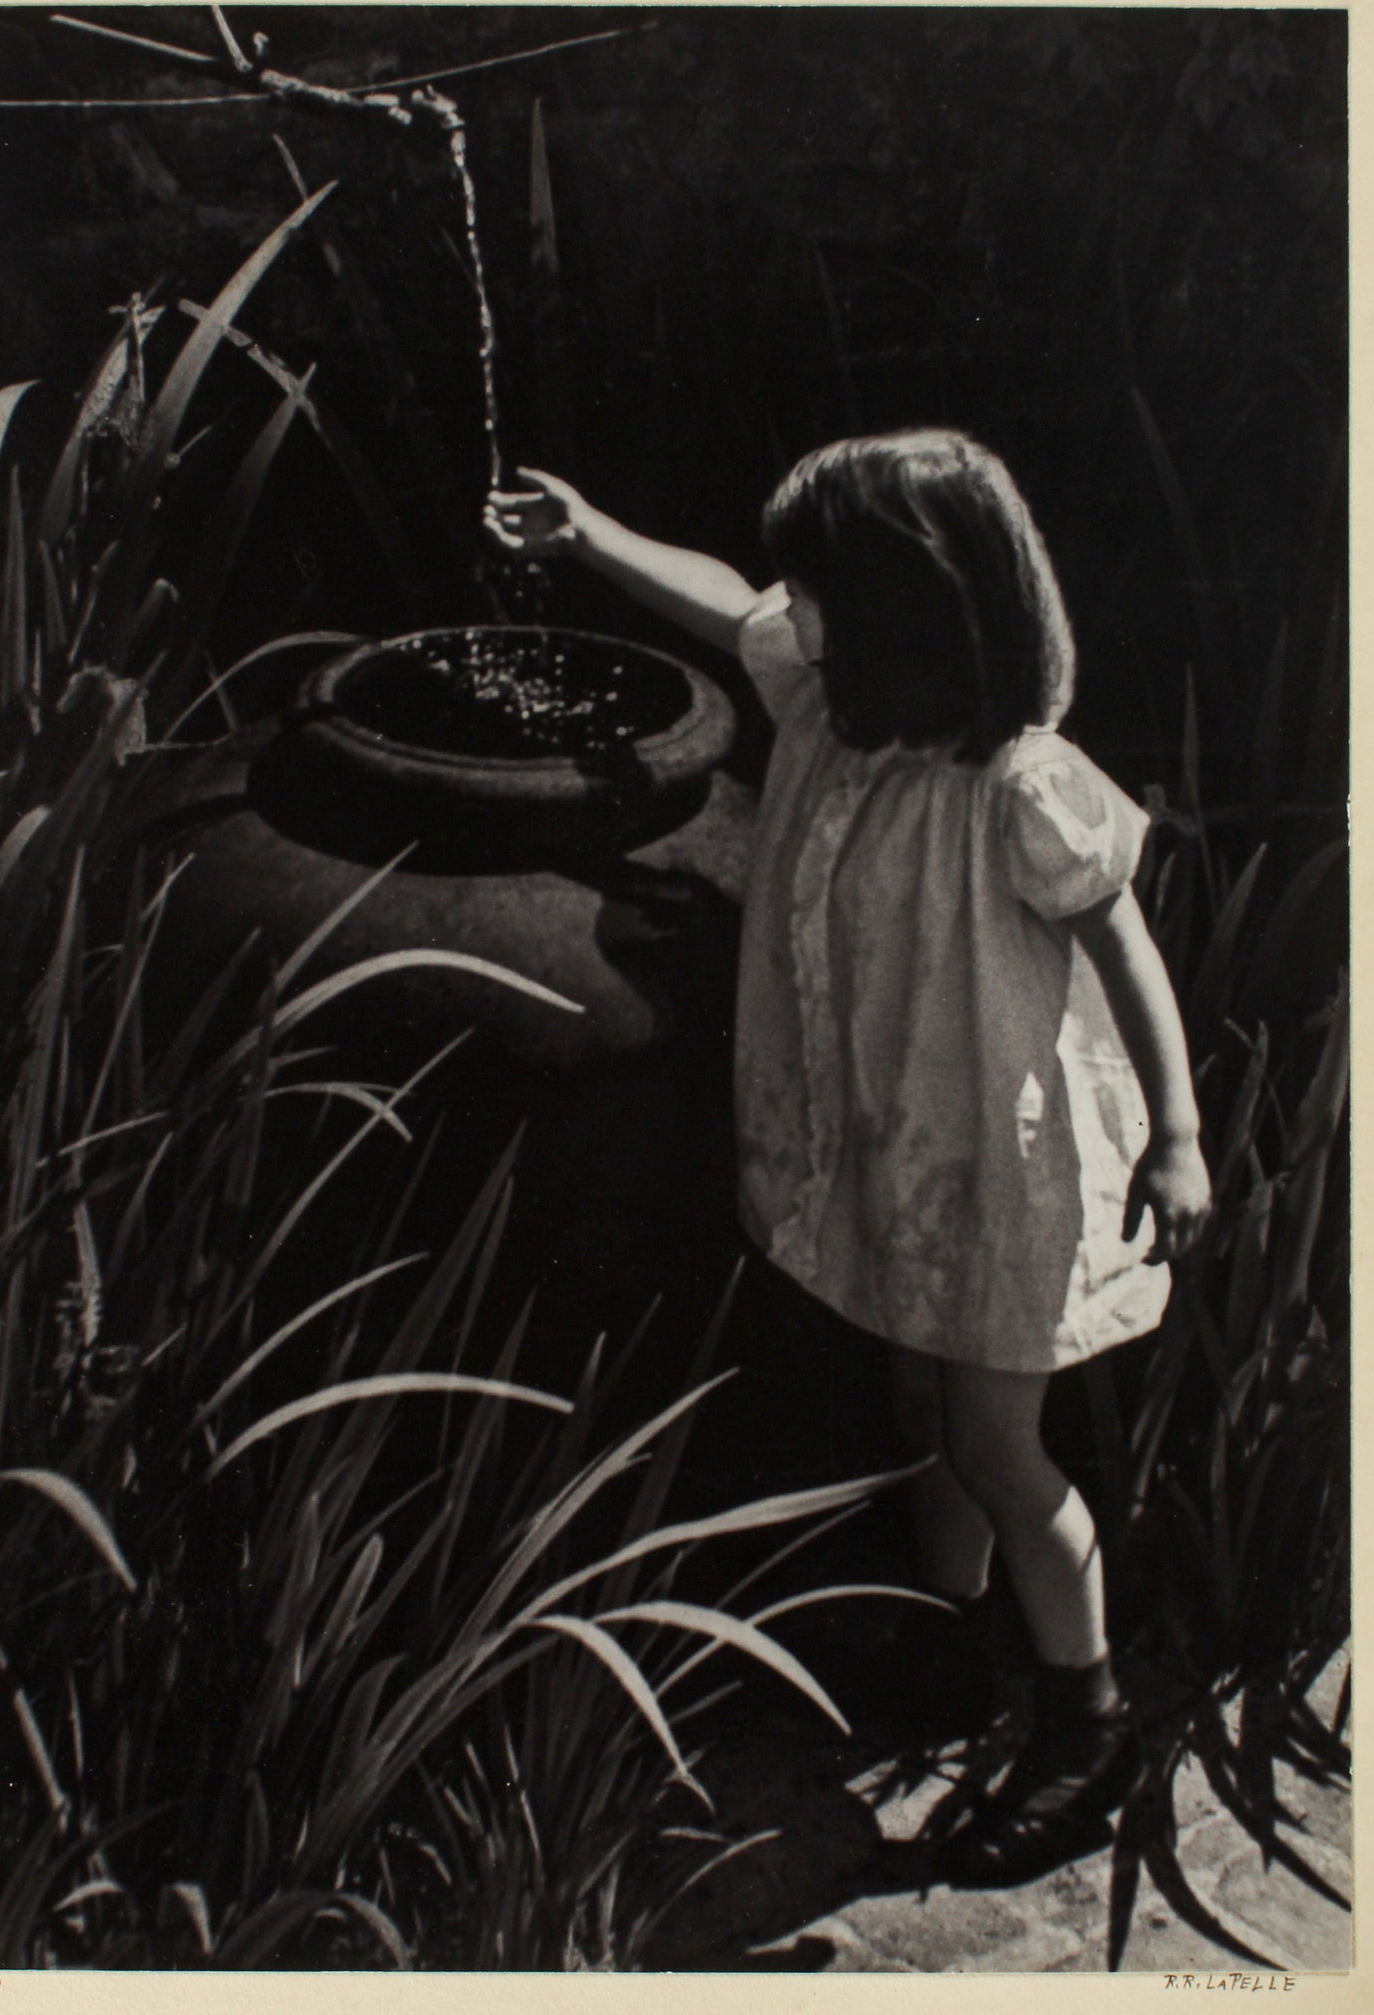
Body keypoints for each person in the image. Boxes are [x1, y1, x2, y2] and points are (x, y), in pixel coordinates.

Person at [485, 431, 1213, 1882]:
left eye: (817, 588)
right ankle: (951, 1633)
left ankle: (1089, 1726)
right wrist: (589, 531)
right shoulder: (831, 704)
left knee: (999, 1446)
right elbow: (721, 604)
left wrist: (1179, 1134)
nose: (790, 609)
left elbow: (1124, 948)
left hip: (1001, 1171)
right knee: (920, 1389)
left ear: (907, 609)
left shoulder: (1017, 785)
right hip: (902, 1146)